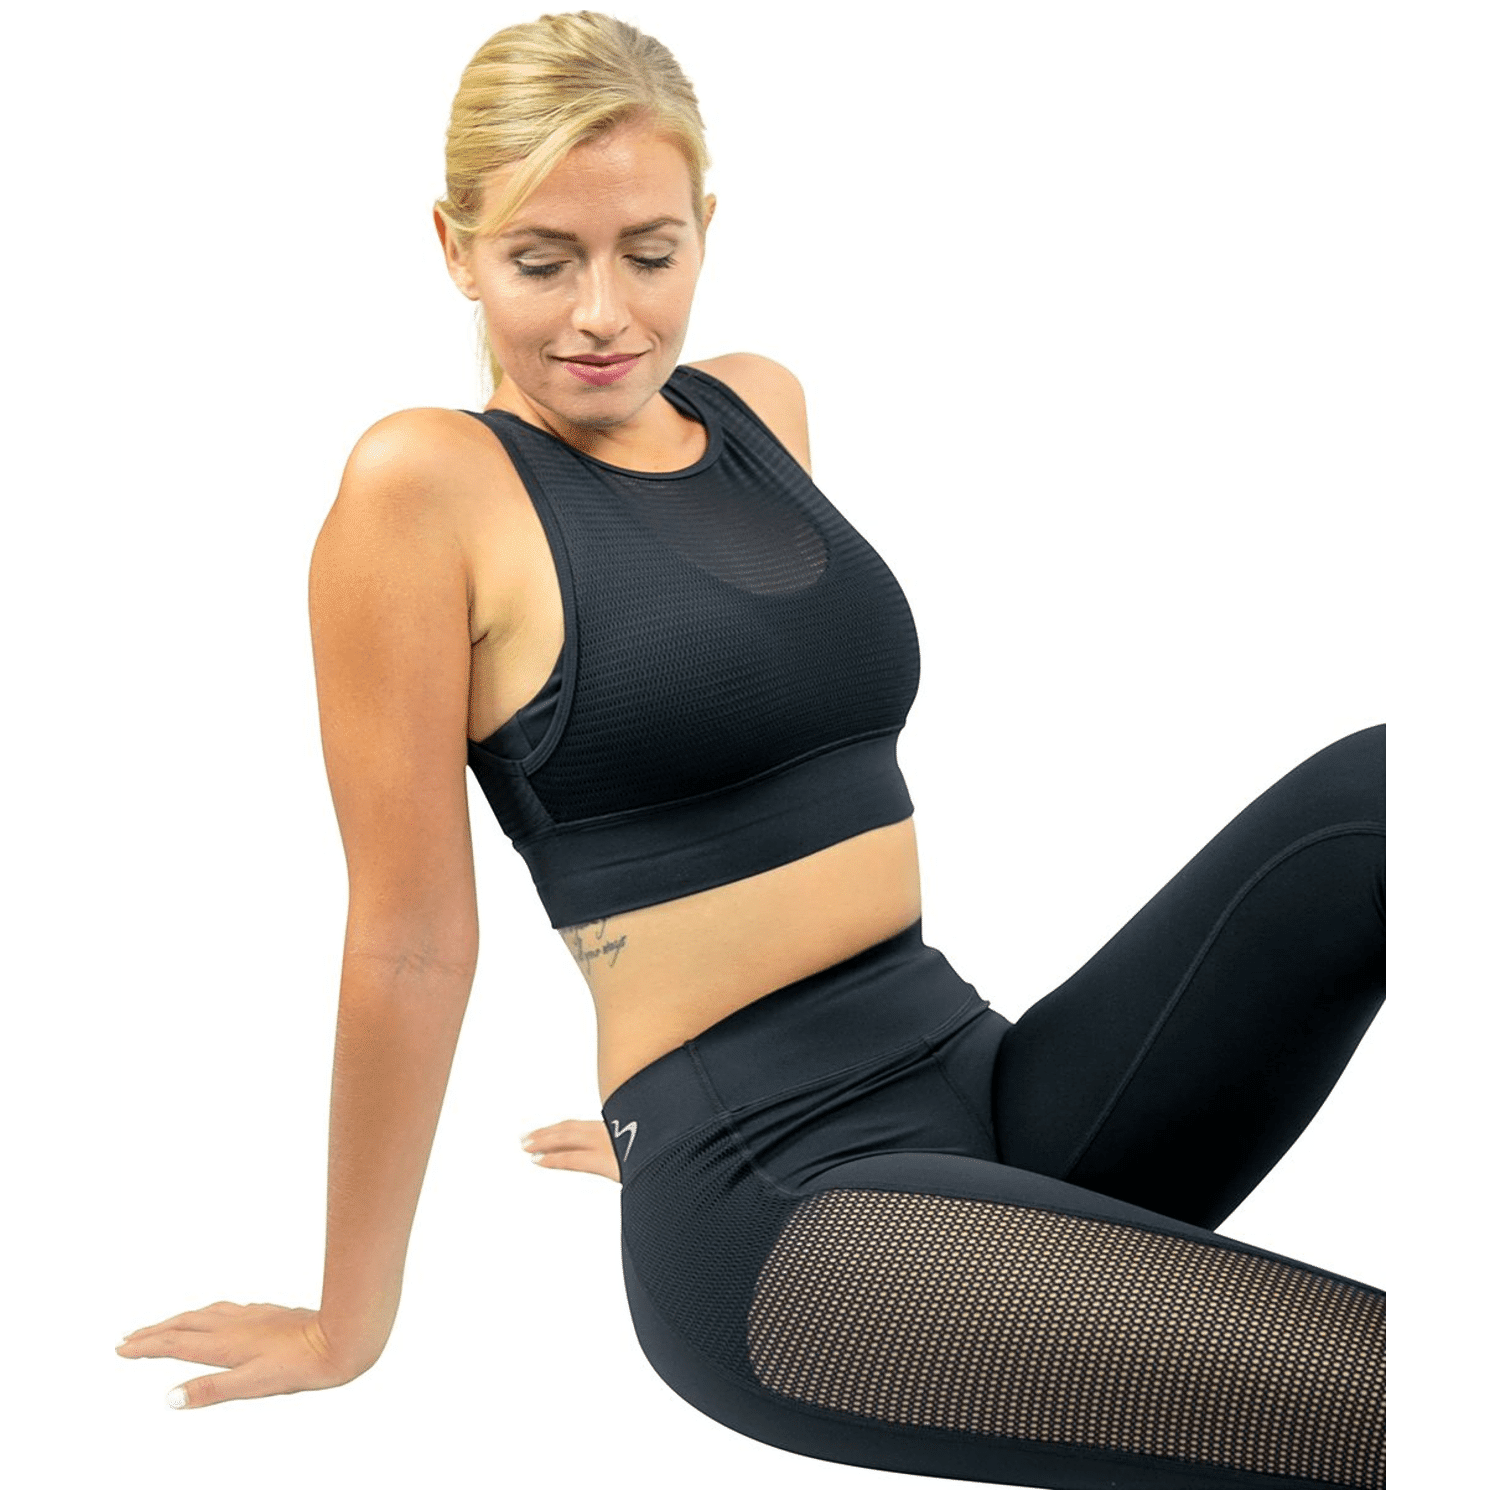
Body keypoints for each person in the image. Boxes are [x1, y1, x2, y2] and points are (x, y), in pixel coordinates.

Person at [116, 11, 1385, 1489]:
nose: (603, 313)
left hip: (979, 1083)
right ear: (455, 249)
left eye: (649, 253)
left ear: (705, 229)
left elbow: (746, 724)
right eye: (543, 261)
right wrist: (351, 1320)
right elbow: (407, 940)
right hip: (783, 1202)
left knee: (1390, 789)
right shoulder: (427, 485)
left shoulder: (758, 409)